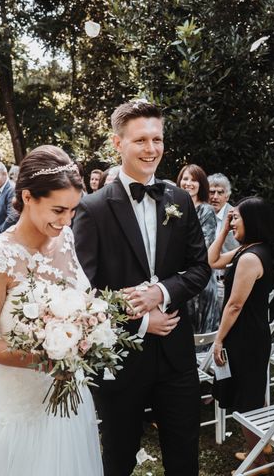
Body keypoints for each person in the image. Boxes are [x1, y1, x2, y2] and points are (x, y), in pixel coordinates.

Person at [74, 100, 211, 476]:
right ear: (118, 144)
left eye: (157, 139)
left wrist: (162, 293)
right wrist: (138, 322)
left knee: (184, 456)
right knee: (119, 457)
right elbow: (82, 293)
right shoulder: (93, 208)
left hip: (176, 356)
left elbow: (200, 269)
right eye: (140, 141)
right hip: (119, 358)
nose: (151, 149)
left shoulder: (179, 200)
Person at [0, 145, 102, 476]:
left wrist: (91, 328)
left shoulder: (66, 239)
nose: (66, 221)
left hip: (70, 401)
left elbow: (82, 302)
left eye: (73, 211)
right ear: (28, 197)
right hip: (18, 404)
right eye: (58, 210)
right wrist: (44, 357)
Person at [209, 196, 274, 472]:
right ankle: (263, 445)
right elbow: (212, 259)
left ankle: (258, 462)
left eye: (236, 217)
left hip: (245, 337)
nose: (232, 220)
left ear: (253, 221)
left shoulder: (250, 258)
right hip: (252, 334)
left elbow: (235, 304)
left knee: (245, 401)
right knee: (253, 392)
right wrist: (224, 230)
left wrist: (219, 338)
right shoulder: (250, 250)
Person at [178, 164, 220, 333]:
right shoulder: (175, 208)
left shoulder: (206, 210)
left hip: (199, 280)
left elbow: (204, 246)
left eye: (194, 180)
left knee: (199, 333)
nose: (188, 183)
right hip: (179, 279)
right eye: (185, 178)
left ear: (201, 184)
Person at [208, 173, 239, 253]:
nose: (215, 197)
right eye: (211, 192)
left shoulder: (236, 216)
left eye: (220, 192)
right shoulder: (201, 214)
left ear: (227, 196)